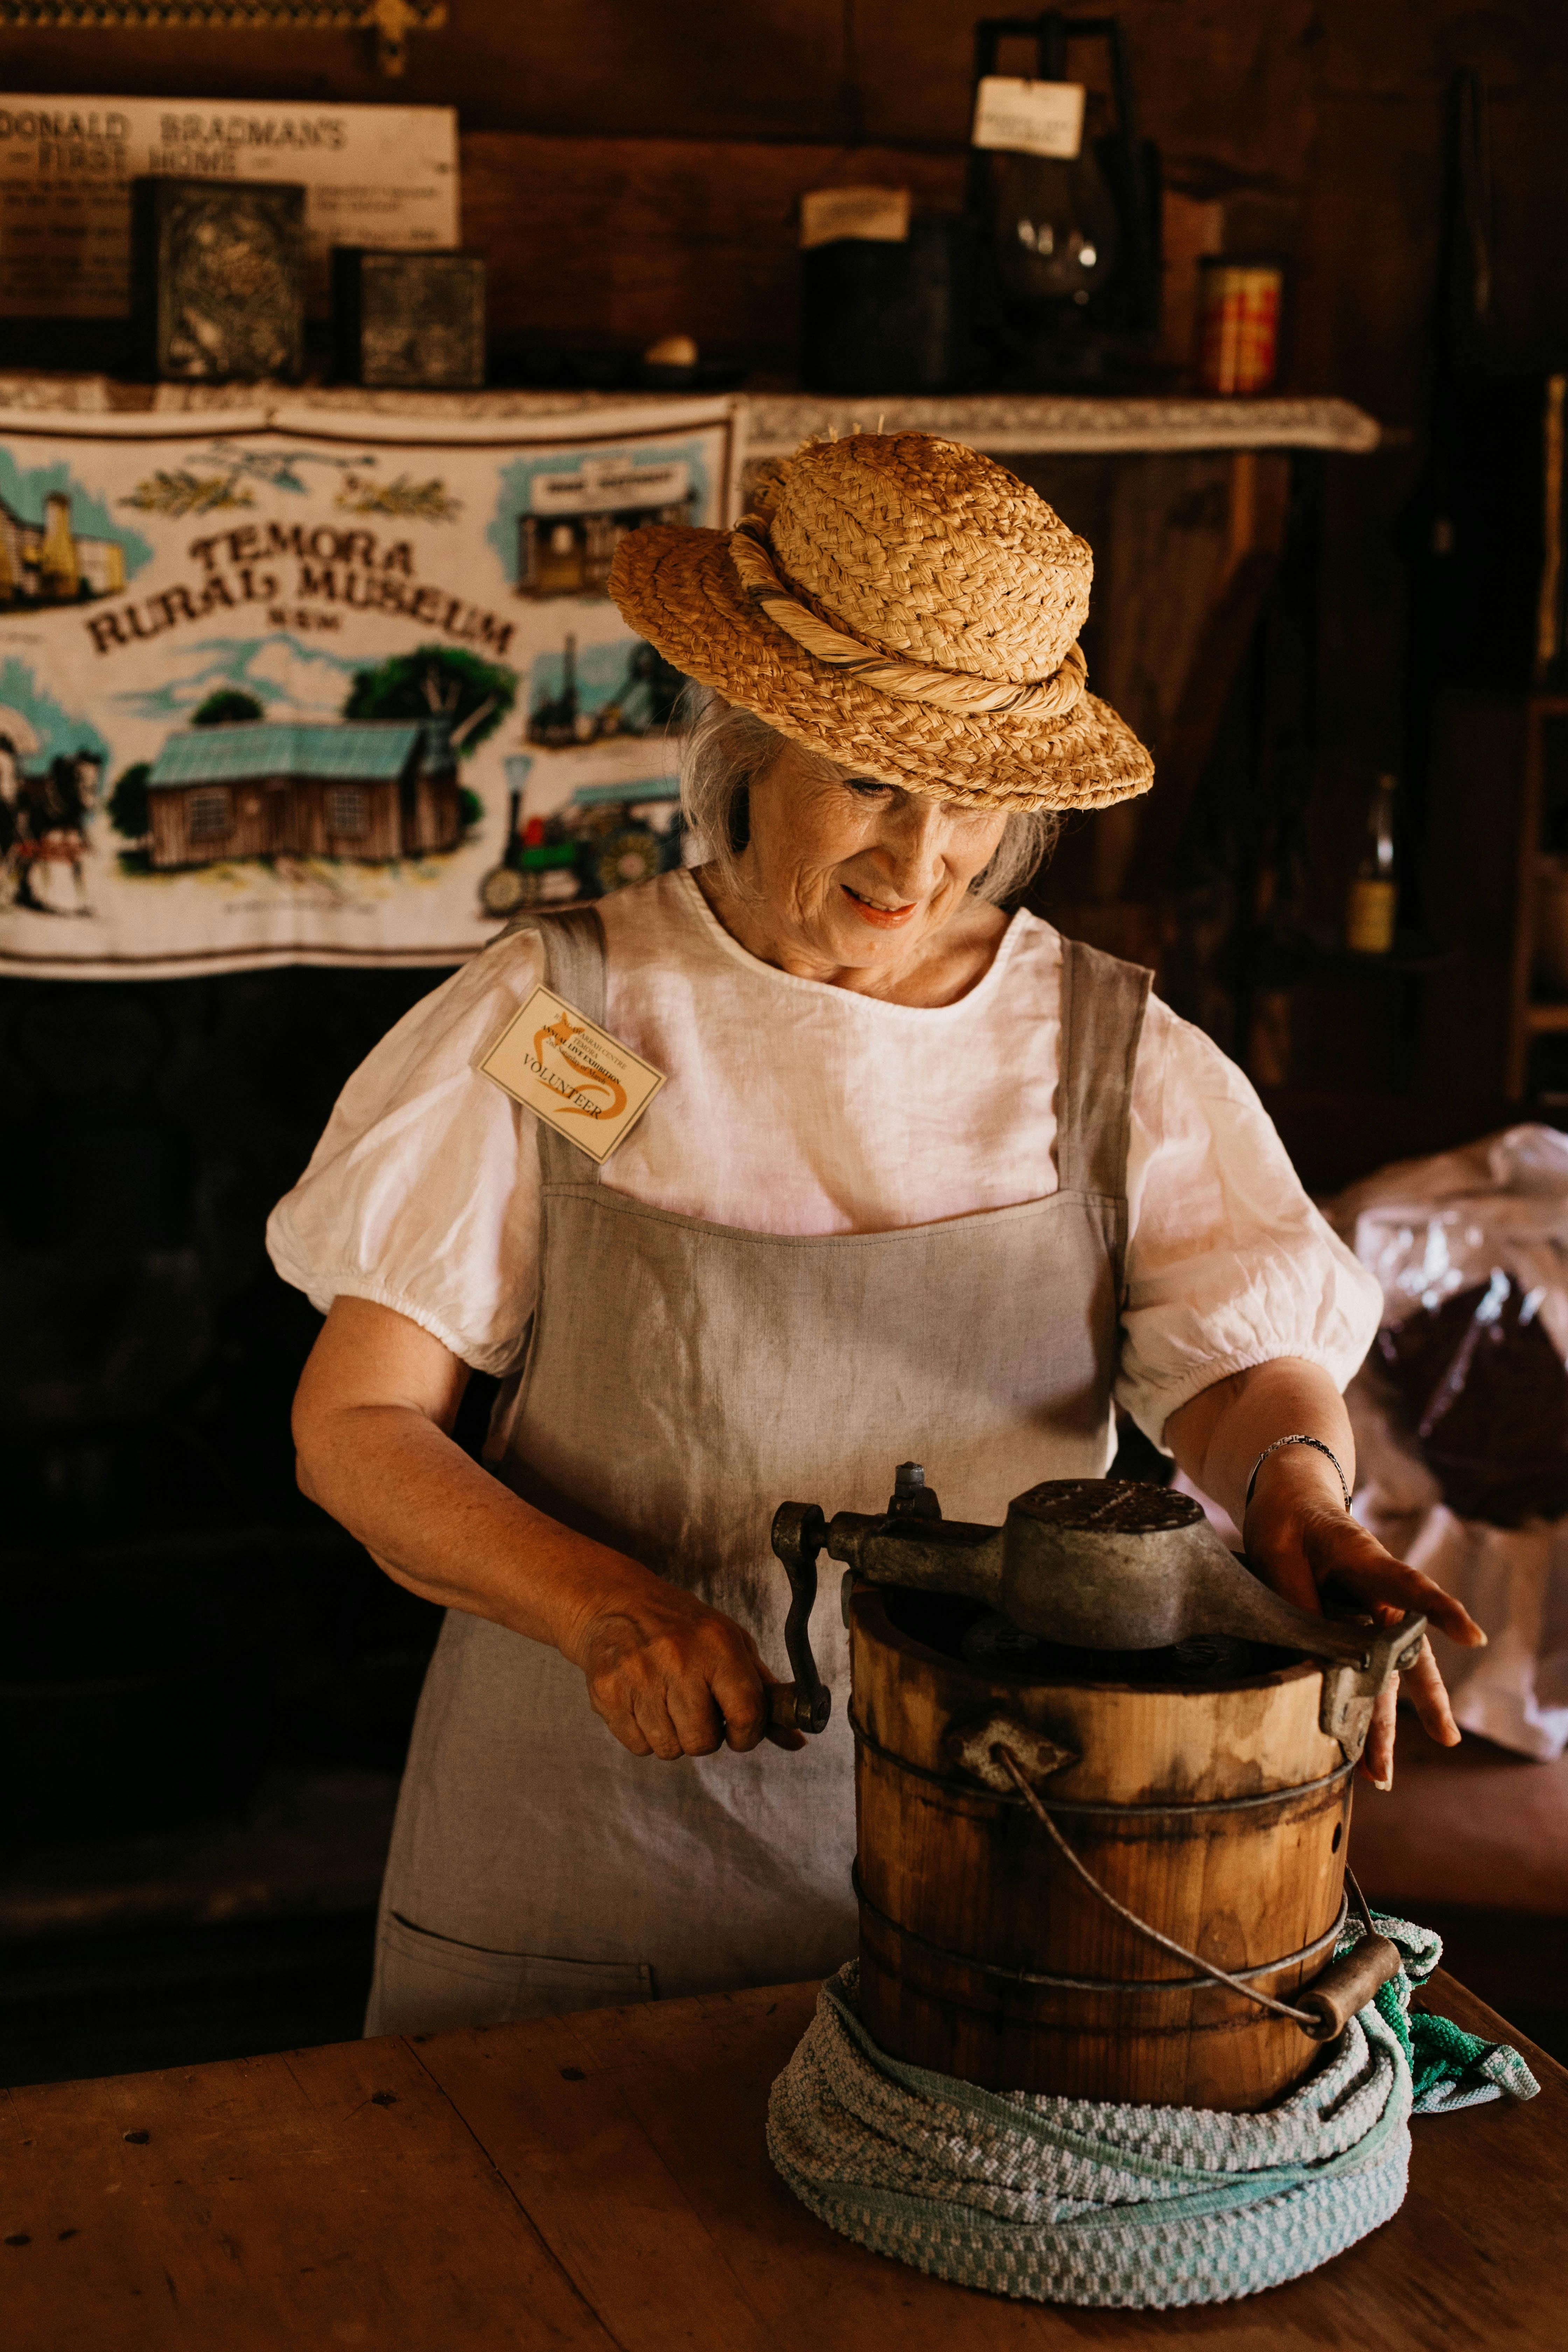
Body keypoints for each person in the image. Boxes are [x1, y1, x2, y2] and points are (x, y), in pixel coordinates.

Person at [271, 432, 1482, 2036]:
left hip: (993, 1854)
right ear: (744, 737)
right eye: (868, 781)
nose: (921, 862)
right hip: (578, 1849)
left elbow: (1240, 1366)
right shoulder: (567, 1017)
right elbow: (356, 1425)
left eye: (976, 803)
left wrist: (1294, 1496)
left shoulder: (1105, 1053)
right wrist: (603, 1607)